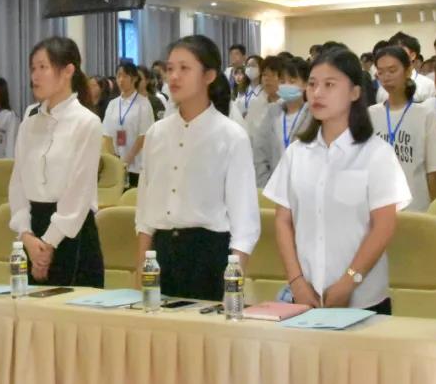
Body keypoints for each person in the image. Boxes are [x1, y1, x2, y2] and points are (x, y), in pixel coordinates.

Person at [265, 46, 410, 312]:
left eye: (329, 85)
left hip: (363, 300)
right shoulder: (296, 153)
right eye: (312, 84)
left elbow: (383, 226)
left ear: (354, 92)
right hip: (305, 296)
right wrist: (297, 282)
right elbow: (283, 221)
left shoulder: (376, 153)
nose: (317, 93)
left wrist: (349, 281)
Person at [136, 35, 260, 300]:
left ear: (209, 76)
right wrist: (141, 267)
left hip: (208, 256)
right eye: (170, 68)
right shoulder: (156, 133)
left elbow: (245, 223)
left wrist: (233, 286)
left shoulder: (231, 136)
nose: (174, 77)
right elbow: (145, 208)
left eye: (185, 68)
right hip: (161, 253)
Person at [10, 37, 104, 286]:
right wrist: (27, 236)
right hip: (32, 235)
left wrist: (48, 244)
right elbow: (17, 185)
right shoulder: (28, 125)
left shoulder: (87, 122)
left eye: (43, 67)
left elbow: (78, 194)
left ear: (68, 71)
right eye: (33, 68)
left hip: (72, 234)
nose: (35, 76)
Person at [370, 46, 436, 211]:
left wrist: (432, 211)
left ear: (408, 71)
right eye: (381, 72)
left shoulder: (424, 114)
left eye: (392, 70)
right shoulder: (371, 114)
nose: (386, 77)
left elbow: (433, 170)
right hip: (379, 205)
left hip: (416, 206)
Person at [253, 57, 311, 188]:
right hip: (273, 186)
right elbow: (259, 152)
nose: (286, 85)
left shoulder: (313, 117)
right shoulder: (272, 113)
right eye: (282, 81)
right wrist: (266, 185)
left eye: (292, 81)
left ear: (305, 84)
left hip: (304, 188)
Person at [102, 62, 155, 188]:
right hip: (115, 164)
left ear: (134, 78)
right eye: (118, 76)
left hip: (136, 165)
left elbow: (144, 136)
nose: (121, 80)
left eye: (125, 76)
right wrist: (114, 160)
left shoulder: (143, 104)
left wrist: (127, 160)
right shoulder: (113, 104)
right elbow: (106, 135)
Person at [376, 32, 435, 103]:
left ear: (412, 55)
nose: (396, 56)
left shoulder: (428, 85)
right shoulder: (383, 88)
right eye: (392, 53)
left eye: (401, 51)